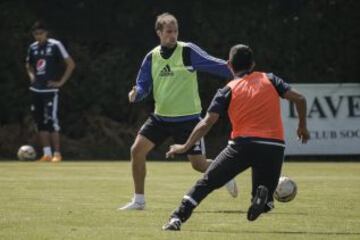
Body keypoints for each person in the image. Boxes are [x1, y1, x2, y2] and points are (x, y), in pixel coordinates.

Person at [162, 44, 310, 230]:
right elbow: (300, 99)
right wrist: (302, 126)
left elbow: (207, 122)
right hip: (274, 147)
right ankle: (263, 197)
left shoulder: (227, 90)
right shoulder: (270, 79)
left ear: (230, 65)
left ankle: (177, 218)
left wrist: (185, 146)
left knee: (206, 183)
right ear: (253, 64)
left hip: (242, 146)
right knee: (264, 203)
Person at [119, 13, 238, 210]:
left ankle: (225, 173)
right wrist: (136, 93)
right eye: (168, 32)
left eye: (175, 31)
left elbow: (216, 65)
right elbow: (143, 85)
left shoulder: (187, 51)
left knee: (198, 165)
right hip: (160, 118)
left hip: (189, 120)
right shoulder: (152, 56)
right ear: (159, 33)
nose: (172, 35)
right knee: (136, 151)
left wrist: (239, 71)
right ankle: (139, 201)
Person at [25, 21, 75, 162]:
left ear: (46, 33)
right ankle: (47, 154)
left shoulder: (55, 45)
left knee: (51, 121)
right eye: (35, 34)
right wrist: (32, 76)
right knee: (39, 122)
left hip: (50, 90)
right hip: (36, 90)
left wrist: (60, 82)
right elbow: (28, 64)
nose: (38, 36)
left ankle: (57, 154)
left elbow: (71, 64)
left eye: (41, 33)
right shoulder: (32, 48)